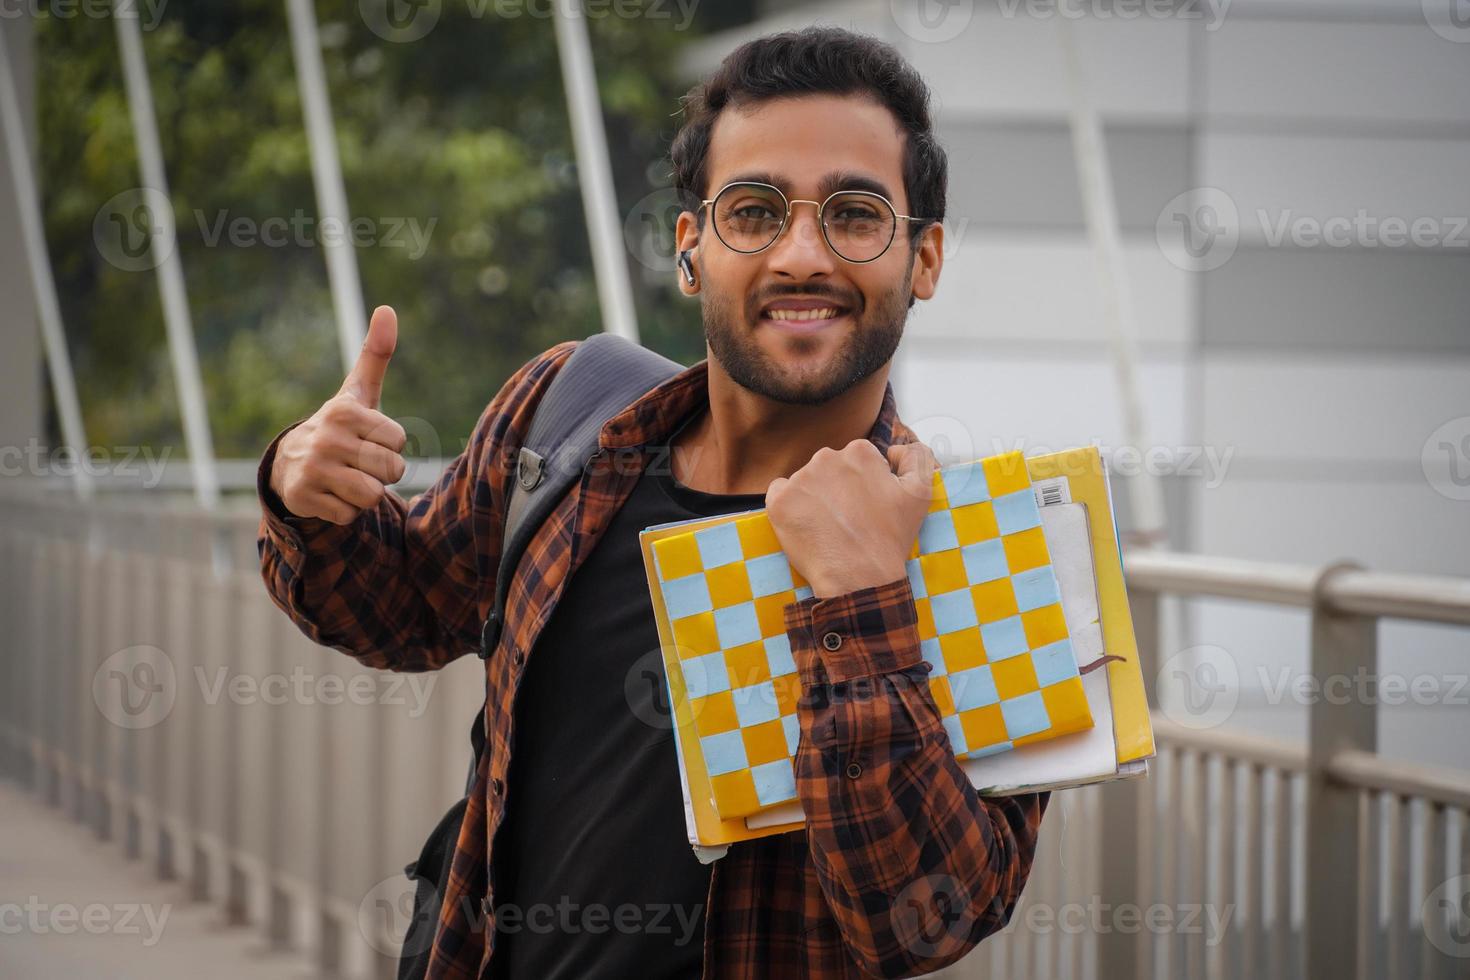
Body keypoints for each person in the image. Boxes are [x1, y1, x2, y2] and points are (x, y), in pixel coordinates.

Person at [256, 25, 1048, 980]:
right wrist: (309, 495)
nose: (802, 254)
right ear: (691, 251)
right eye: (754, 212)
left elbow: (927, 922)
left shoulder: (985, 560)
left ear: (923, 260)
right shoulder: (571, 416)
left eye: (856, 214)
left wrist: (860, 605)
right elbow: (402, 608)